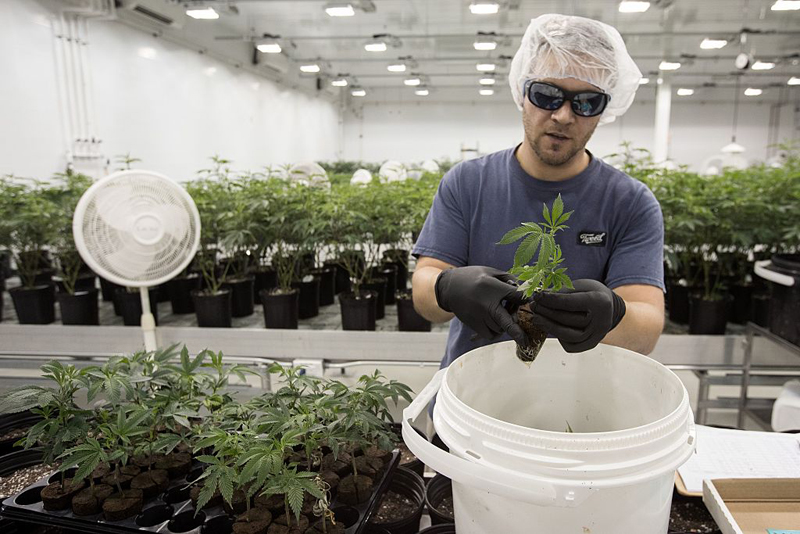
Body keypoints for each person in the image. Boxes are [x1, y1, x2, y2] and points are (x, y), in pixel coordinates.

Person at [411, 14, 664, 368]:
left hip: (580, 405)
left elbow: (648, 327)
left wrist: (615, 314)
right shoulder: (467, 182)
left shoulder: (631, 202)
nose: (563, 115)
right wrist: (445, 287)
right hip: (470, 395)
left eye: (586, 102)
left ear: (604, 110)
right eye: (547, 94)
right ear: (521, 92)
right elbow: (423, 290)